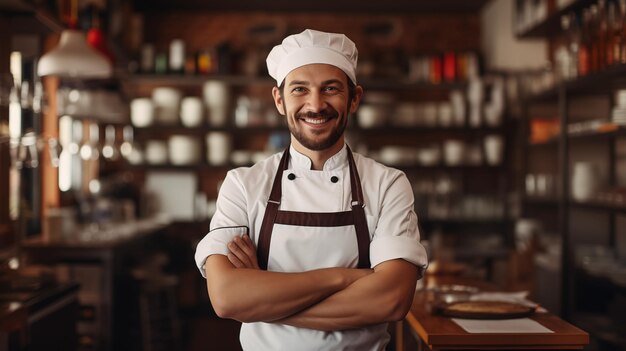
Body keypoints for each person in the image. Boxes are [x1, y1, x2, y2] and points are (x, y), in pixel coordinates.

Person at [194, 28, 428, 350]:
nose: (315, 105)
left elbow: (391, 300)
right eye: (299, 90)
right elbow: (226, 298)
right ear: (279, 100)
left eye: (330, 89)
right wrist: (344, 277)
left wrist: (263, 299)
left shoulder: (388, 184)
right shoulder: (243, 185)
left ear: (355, 98)